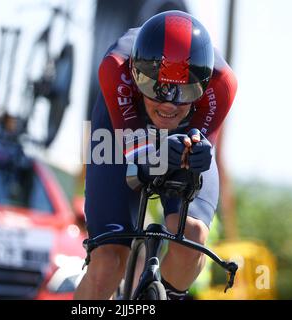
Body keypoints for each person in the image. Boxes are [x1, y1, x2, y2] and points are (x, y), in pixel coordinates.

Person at [74, 10, 237, 300]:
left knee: (192, 237)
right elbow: (137, 156)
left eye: (184, 92)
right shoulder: (116, 68)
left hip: (183, 135)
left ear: (202, 84)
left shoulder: (222, 84)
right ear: (136, 74)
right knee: (108, 263)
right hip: (118, 133)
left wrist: (194, 151)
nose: (168, 106)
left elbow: (200, 144)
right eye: (155, 89)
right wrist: (157, 154)